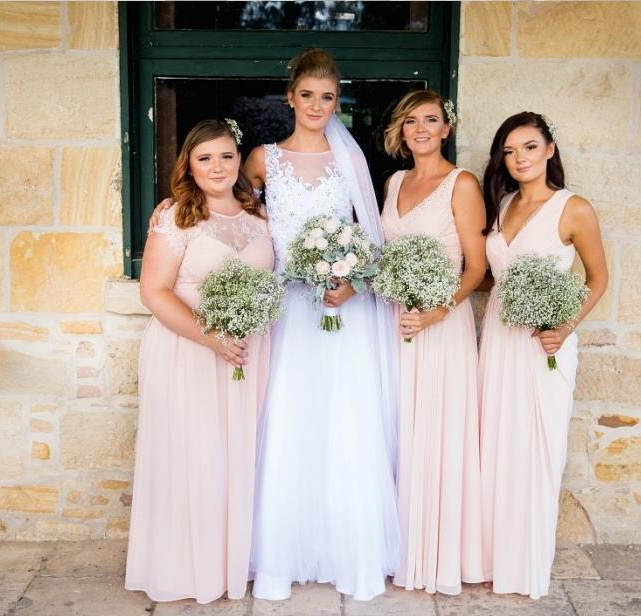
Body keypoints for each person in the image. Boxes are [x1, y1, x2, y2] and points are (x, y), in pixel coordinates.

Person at [244, 48, 401, 601]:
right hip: (289, 310)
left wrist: (351, 284)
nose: (316, 105)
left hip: (341, 310)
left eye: (327, 97)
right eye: (307, 95)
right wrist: (171, 209)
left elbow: (372, 241)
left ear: (338, 102)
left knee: (344, 422)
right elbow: (234, 214)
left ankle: (348, 554)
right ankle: (282, 556)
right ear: (290, 97)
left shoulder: (349, 162)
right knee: (292, 418)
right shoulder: (262, 160)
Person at [125, 119, 274, 603]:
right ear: (188, 165)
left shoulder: (260, 215)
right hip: (187, 351)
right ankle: (184, 569)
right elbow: (154, 291)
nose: (217, 166)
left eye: (226, 156)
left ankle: (229, 562)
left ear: (239, 160)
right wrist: (212, 338)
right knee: (193, 457)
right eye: (204, 158)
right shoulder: (176, 217)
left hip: (247, 355)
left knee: (236, 457)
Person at [478, 112, 608, 599]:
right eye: (510, 151)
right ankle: (492, 560)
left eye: (529, 147)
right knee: (495, 445)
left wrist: (563, 327)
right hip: (498, 337)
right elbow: (491, 275)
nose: (520, 159)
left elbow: (598, 278)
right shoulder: (501, 203)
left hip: (543, 343)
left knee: (536, 449)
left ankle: (525, 567)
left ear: (549, 149)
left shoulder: (573, 209)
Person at [379, 90, 486, 595]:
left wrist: (438, 310)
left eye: (431, 120)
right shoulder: (394, 181)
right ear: (401, 131)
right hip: (394, 322)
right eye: (411, 121)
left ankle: (437, 555)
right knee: (399, 429)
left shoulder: (461, 184)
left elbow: (477, 267)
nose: (420, 128)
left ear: (447, 128)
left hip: (442, 325)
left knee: (437, 433)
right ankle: (399, 549)